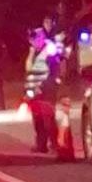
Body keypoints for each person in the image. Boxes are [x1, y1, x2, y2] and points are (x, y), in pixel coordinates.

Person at [24, 17, 62, 153]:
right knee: (37, 116)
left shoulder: (51, 48)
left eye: (35, 39)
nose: (33, 42)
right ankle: (41, 144)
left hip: (48, 85)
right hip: (35, 85)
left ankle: (54, 144)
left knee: (48, 115)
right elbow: (28, 67)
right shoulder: (34, 50)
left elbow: (57, 65)